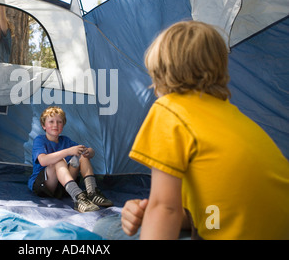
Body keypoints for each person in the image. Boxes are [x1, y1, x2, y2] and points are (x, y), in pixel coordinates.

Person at [121, 21, 289, 240]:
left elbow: (165, 209)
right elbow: (217, 212)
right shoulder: (233, 117)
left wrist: (156, 209)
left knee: (108, 229)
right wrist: (149, 210)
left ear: (160, 76)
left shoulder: (170, 108)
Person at [28, 106, 113, 213]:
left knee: (82, 155)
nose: (55, 125)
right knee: (59, 160)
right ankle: (79, 198)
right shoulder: (39, 140)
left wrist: (89, 152)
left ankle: (92, 193)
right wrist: (68, 151)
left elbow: (90, 151)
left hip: (64, 187)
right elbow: (43, 160)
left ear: (63, 126)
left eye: (59, 122)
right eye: (51, 122)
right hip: (44, 185)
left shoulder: (65, 140)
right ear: (43, 125)